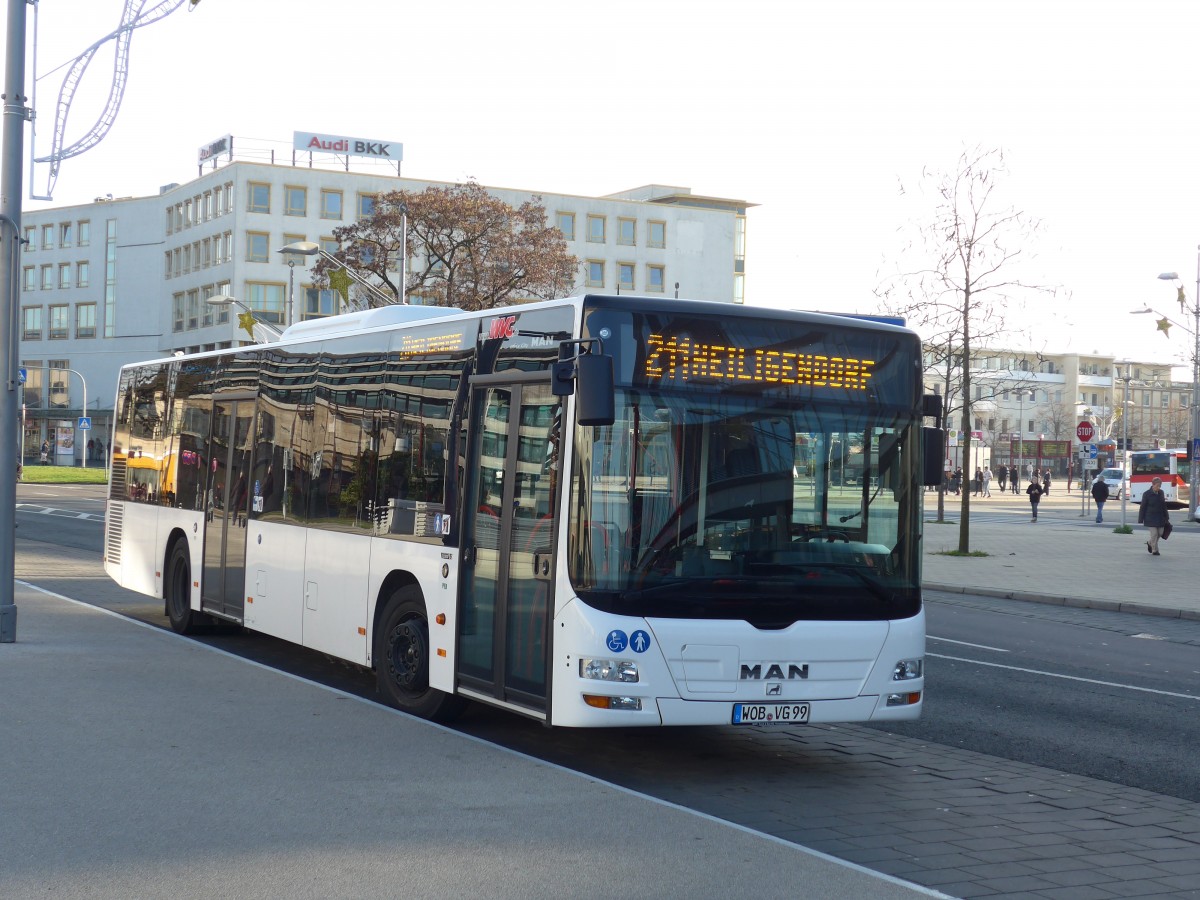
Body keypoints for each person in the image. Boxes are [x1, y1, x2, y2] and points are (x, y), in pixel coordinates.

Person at [1137, 476, 1170, 556]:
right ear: (1153, 485)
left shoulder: (1161, 492)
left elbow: (1163, 505)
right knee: (1154, 534)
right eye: (1157, 486)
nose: (1158, 488)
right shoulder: (1147, 494)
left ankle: (1150, 542)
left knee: (1160, 533)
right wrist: (1140, 519)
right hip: (1150, 517)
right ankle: (1155, 550)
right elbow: (1143, 506)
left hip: (1160, 517)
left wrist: (1166, 516)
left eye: (1160, 486)